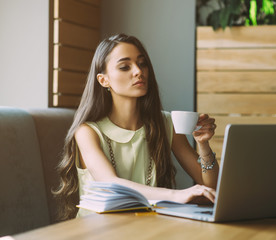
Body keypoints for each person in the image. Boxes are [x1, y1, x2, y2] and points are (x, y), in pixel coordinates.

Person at [54, 33, 219, 220]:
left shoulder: (166, 124)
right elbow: (110, 183)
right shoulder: (87, 132)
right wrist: (177, 195)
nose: (138, 71)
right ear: (103, 80)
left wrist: (203, 144)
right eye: (125, 67)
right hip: (97, 230)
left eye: (142, 64)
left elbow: (210, 186)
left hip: (147, 226)